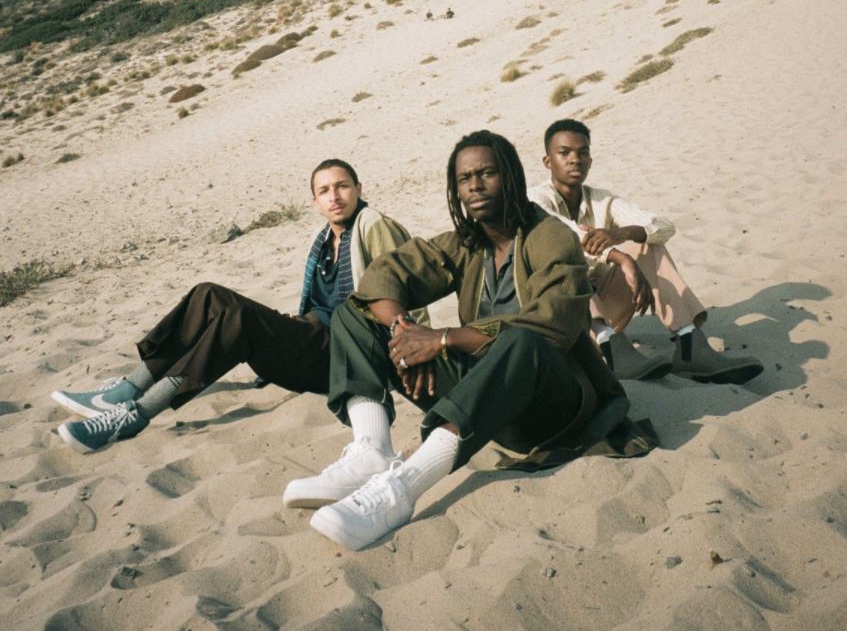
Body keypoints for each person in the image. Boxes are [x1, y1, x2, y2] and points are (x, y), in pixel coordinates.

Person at [283, 131, 629, 551]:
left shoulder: (550, 235)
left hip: (554, 409)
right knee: (353, 313)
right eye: (465, 179)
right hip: (487, 404)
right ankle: (371, 450)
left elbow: (552, 326)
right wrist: (405, 334)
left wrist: (443, 339)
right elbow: (385, 275)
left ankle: (403, 488)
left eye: (486, 174)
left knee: (522, 341)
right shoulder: (467, 242)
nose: (475, 186)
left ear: (511, 177)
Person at [52, 159, 421, 453]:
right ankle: (130, 388)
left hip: (347, 357)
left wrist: (410, 357)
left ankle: (135, 416)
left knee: (238, 321)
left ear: (359, 189)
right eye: (324, 190)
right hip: (314, 338)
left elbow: (409, 292)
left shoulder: (373, 225)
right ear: (314, 201)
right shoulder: (323, 238)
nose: (334, 196)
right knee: (208, 294)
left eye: (342, 186)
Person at [528, 119, 763, 383]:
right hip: (563, 325)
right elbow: (564, 236)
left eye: (583, 153)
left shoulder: (601, 199)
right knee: (567, 263)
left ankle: (688, 345)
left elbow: (663, 226)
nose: (575, 160)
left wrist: (620, 234)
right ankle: (610, 349)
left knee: (648, 243)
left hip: (605, 308)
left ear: (590, 161)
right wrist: (620, 257)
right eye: (565, 153)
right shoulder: (534, 200)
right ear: (548, 161)